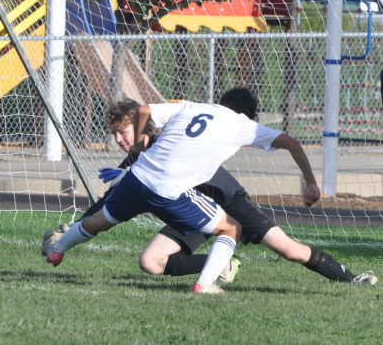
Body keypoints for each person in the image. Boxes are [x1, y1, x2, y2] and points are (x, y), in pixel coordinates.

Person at [45, 90, 376, 286]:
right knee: (150, 262)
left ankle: (351, 280)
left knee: (287, 247)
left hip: (223, 199)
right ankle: (219, 269)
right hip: (188, 205)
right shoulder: (154, 149)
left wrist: (74, 230)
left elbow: (112, 202)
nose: (119, 140)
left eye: (123, 133)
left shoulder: (182, 121)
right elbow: (113, 201)